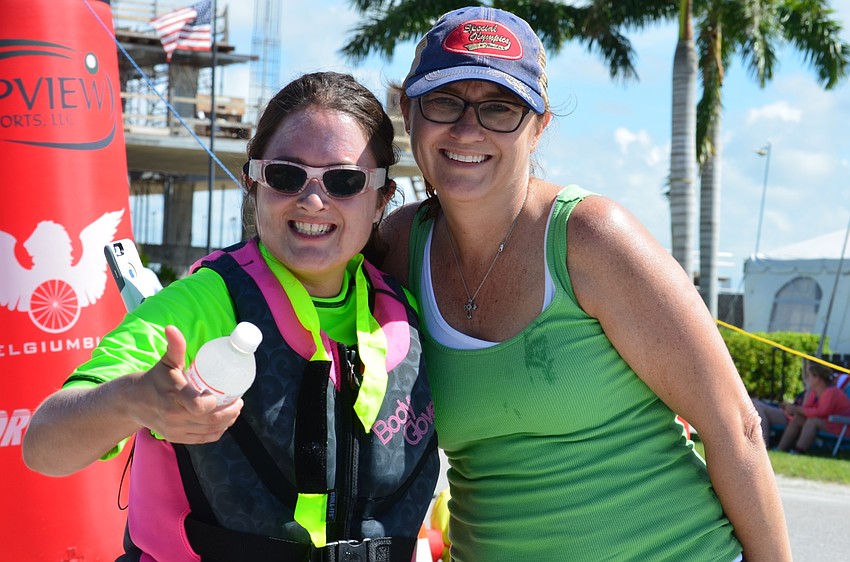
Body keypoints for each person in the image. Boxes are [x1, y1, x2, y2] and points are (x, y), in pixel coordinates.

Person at [375, 6, 792, 561]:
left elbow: (734, 429)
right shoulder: (399, 248)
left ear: (539, 124)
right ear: (409, 112)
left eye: (499, 108)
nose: (468, 128)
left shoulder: (591, 239)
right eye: (445, 101)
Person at [22, 72, 439, 562]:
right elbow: (43, 446)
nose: (312, 199)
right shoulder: (204, 303)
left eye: (343, 181)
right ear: (253, 182)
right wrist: (135, 400)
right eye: (286, 175)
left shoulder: (406, 312)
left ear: (381, 200)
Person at [776, 362, 850, 453]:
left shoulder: (832, 392)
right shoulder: (814, 392)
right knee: (799, 419)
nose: (807, 379)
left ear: (818, 378)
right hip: (828, 423)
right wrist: (805, 398)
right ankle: (780, 449)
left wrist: (797, 409)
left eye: (809, 376)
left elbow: (821, 412)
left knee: (812, 422)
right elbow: (806, 408)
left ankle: (798, 450)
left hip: (843, 426)